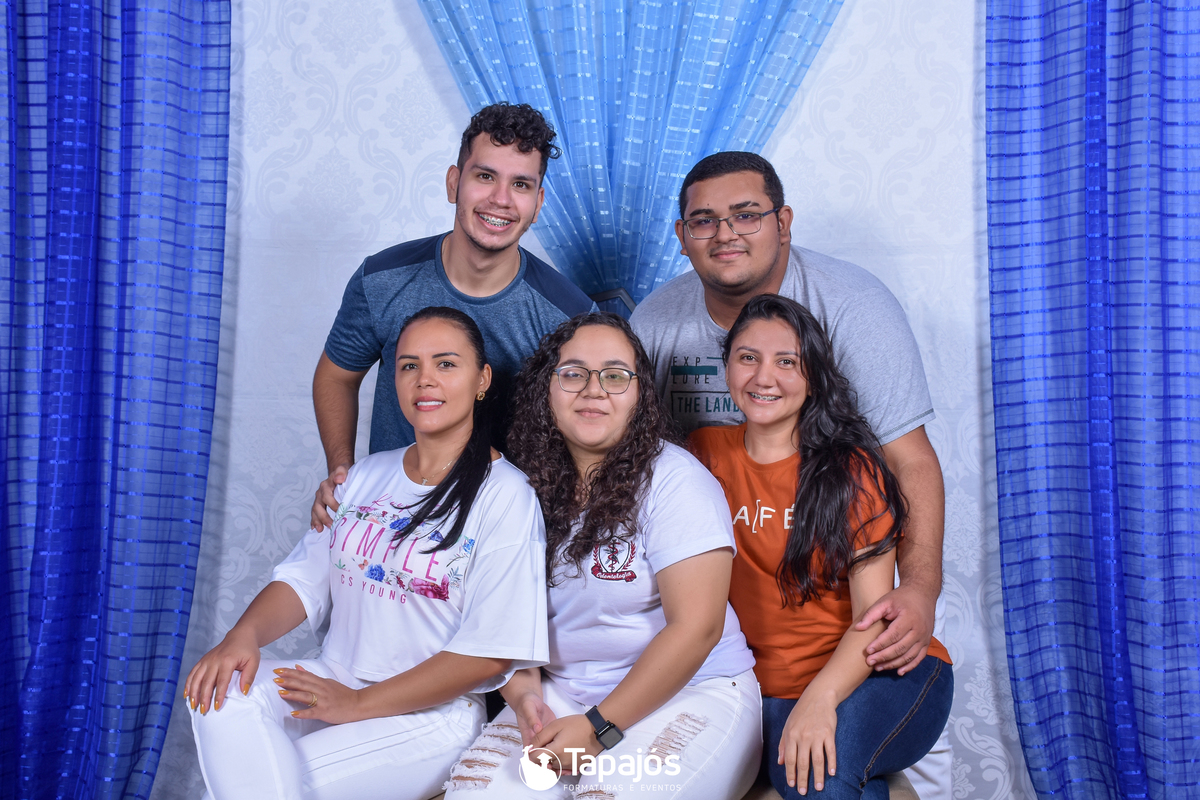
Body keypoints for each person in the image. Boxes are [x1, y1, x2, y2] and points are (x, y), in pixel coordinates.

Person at [629, 152, 951, 797]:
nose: (726, 233)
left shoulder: (853, 318)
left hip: (858, 660)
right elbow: (628, 473)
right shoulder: (693, 438)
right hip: (751, 674)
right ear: (682, 235)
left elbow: (911, 459)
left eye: (746, 214)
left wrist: (919, 589)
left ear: (783, 221)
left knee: (815, 772)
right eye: (705, 220)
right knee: (791, 772)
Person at [186, 307, 548, 800]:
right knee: (220, 690)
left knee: (266, 785)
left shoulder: (506, 495)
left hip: (429, 715)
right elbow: (303, 579)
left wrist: (357, 704)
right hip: (335, 675)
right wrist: (242, 635)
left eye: (446, 364)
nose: (425, 379)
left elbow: (490, 653)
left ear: (482, 379)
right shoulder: (364, 476)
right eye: (408, 366)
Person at [443, 313, 761, 800]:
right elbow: (502, 618)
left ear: (640, 394)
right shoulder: (515, 485)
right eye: (573, 373)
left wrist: (597, 729)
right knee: (473, 794)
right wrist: (525, 696)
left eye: (615, 375)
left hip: (692, 690)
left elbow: (697, 628)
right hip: (561, 694)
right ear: (546, 390)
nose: (594, 390)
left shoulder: (676, 481)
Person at [690, 294, 953, 799]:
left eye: (787, 362)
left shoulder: (850, 471)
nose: (764, 377)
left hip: (880, 671)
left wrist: (822, 697)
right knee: (814, 779)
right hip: (763, 691)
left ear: (812, 376)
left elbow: (875, 618)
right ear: (727, 367)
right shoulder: (699, 455)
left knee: (823, 777)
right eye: (748, 357)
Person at [311, 102, 594, 531]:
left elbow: (588, 427)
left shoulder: (569, 315)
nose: (501, 199)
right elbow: (337, 377)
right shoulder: (382, 279)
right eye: (485, 176)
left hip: (505, 525)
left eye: (520, 184)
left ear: (538, 203)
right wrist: (344, 474)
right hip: (390, 515)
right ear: (453, 183)